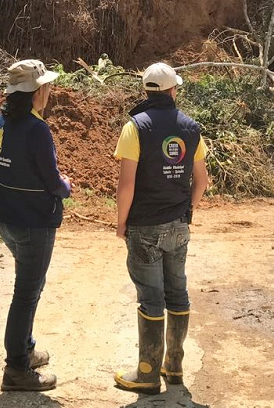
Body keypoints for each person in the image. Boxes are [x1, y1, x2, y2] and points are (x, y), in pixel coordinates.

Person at [113, 62, 209, 395]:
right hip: (178, 225)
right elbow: (202, 180)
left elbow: (126, 185)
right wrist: (187, 210)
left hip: (144, 226)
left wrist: (121, 221)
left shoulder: (135, 127)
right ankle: (175, 366)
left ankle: (147, 373)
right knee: (177, 292)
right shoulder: (191, 128)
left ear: (147, 91)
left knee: (151, 298)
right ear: (172, 90)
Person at [0, 59, 71, 392]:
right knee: (26, 294)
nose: (49, 91)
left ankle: (25, 350)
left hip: (8, 219)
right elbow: (52, 181)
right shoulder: (37, 129)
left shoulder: (3, 121)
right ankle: (17, 369)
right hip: (34, 223)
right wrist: (66, 186)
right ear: (38, 91)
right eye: (46, 86)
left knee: (28, 289)